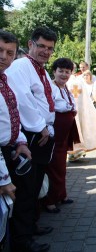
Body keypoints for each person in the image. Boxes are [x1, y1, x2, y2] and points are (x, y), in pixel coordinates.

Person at [6, 26, 58, 252]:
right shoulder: (20, 66)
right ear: (30, 44)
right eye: (42, 46)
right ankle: (22, 240)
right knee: (26, 189)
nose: (46, 52)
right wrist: (41, 127)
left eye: (50, 48)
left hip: (42, 131)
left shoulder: (41, 69)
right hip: (31, 133)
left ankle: (31, 225)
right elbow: (23, 100)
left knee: (36, 184)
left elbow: (47, 98)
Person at [0, 30, 31, 250]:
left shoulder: (5, 81)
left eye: (10, 53)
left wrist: (20, 141)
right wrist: (2, 178)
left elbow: (12, 114)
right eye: (0, 51)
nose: (4, 57)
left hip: (10, 150)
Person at [44, 58, 79, 213]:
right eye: (61, 71)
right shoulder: (50, 87)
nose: (64, 74)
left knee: (61, 166)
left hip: (64, 132)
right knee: (53, 166)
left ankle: (61, 195)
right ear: (54, 71)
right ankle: (50, 200)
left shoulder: (65, 88)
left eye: (67, 71)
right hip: (55, 131)